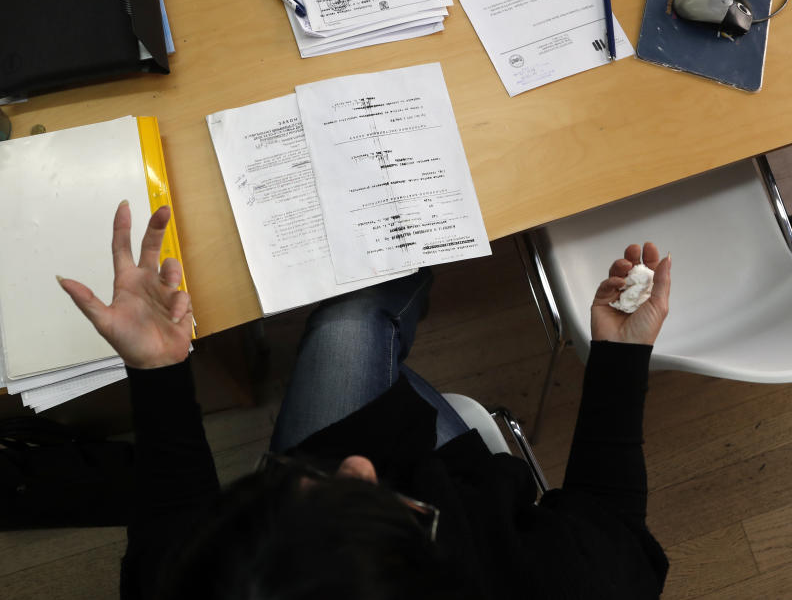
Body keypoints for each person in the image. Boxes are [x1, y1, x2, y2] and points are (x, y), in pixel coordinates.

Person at [59, 201, 672, 600]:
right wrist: (619, 355)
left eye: (292, 487)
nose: (353, 463)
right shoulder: (562, 584)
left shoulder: (187, 578)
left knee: (350, 320)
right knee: (358, 316)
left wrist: (158, 370)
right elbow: (612, 521)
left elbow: (170, 526)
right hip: (465, 490)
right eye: (381, 505)